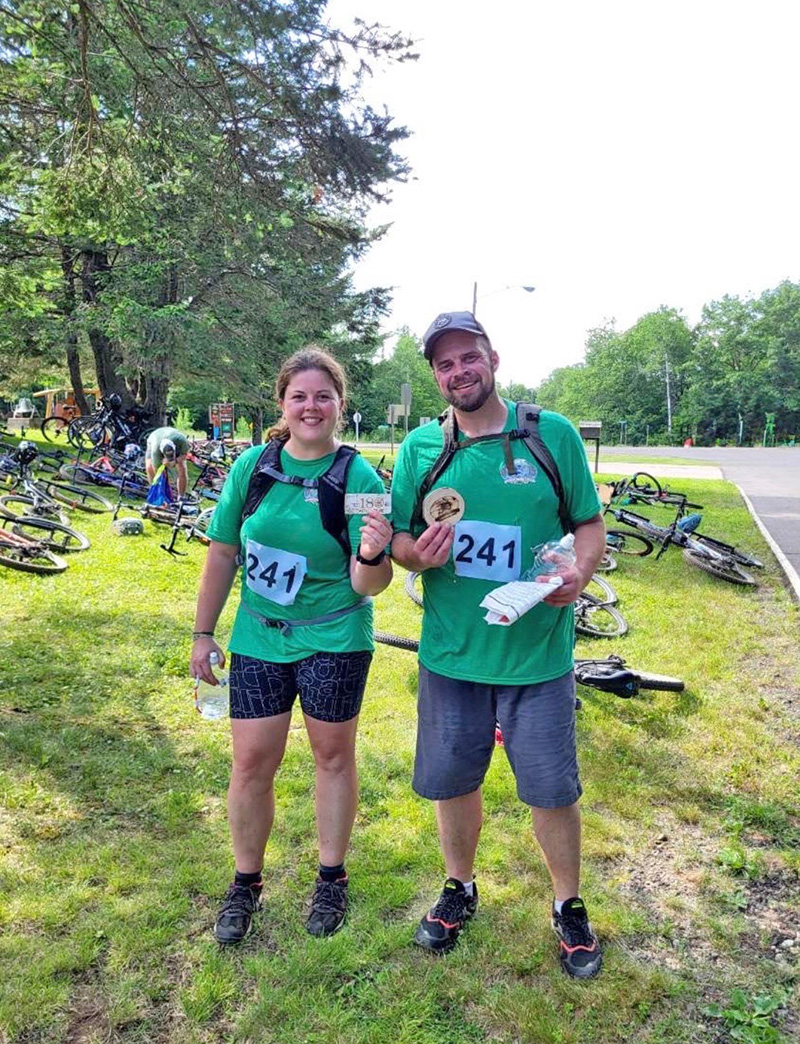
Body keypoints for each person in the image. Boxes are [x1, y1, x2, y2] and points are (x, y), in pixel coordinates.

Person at [390, 311, 607, 978]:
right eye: (445, 363)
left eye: (468, 357)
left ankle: (568, 905)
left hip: (537, 655)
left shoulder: (551, 436)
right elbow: (396, 543)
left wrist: (580, 573)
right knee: (453, 782)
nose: (459, 371)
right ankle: (459, 887)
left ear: (493, 358)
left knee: (550, 790)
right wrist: (417, 556)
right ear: (435, 375)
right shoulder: (421, 451)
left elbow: (588, 525)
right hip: (453, 655)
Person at [190, 347, 393, 944]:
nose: (311, 407)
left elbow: (370, 584)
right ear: (281, 402)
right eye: (299, 396)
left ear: (339, 405)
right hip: (258, 635)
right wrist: (204, 632)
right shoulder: (251, 467)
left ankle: (332, 877)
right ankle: (245, 882)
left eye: (323, 396)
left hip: (334, 636)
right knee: (252, 763)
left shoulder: (361, 479)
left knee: (332, 757)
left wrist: (373, 552)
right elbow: (223, 551)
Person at [145, 426, 190, 497]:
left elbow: (185, 455)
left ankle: (181, 496)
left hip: (172, 435)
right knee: (149, 467)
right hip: (154, 437)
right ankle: (157, 493)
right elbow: (157, 472)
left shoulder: (182, 441)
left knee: (182, 467)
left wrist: (175, 461)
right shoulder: (155, 451)